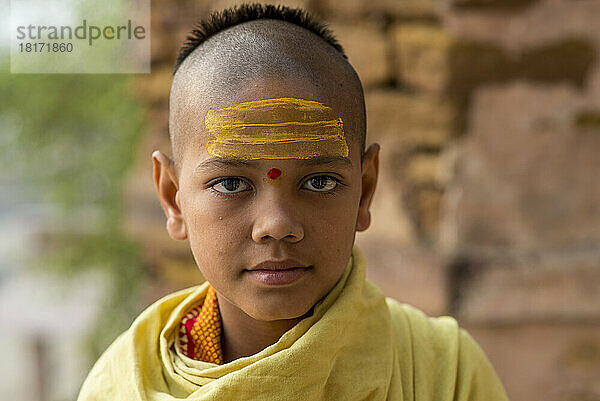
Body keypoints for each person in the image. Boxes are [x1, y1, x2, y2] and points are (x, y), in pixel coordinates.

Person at [77, 4, 510, 400]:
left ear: (366, 189)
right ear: (173, 198)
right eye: (230, 184)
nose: (277, 223)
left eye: (319, 181)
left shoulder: (441, 372)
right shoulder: (124, 385)